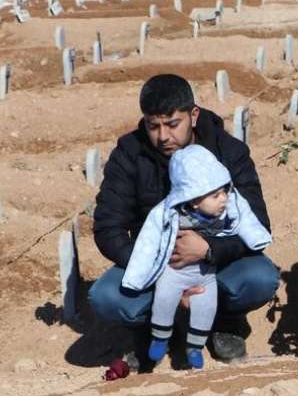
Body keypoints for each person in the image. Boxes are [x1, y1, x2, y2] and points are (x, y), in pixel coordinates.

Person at [89, 74, 279, 371]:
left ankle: (223, 321)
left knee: (260, 278)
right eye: (153, 126)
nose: (163, 136)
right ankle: (149, 331)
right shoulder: (130, 154)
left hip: (215, 264)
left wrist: (208, 250)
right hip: (156, 262)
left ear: (193, 115)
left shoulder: (227, 152)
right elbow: (107, 227)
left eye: (172, 124)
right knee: (106, 297)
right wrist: (160, 264)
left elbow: (256, 220)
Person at [122, 145, 272, 369]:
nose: (223, 198)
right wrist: (137, 276)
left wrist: (255, 237)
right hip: (173, 273)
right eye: (215, 195)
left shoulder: (230, 204)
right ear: (193, 200)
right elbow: (147, 243)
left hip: (205, 275)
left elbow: (248, 220)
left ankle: (195, 347)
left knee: (206, 306)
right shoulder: (168, 213)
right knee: (164, 298)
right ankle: (160, 338)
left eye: (224, 191)